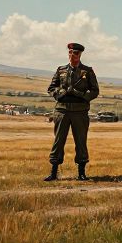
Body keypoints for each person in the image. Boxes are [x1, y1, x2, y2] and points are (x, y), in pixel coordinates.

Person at [45, 42, 100, 181]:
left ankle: (81, 173)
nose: (72, 55)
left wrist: (81, 95)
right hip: (62, 111)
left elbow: (95, 91)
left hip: (79, 112)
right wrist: (60, 93)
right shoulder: (61, 70)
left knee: (81, 142)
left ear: (80, 54)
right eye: (70, 52)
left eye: (75, 53)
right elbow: (51, 88)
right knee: (58, 141)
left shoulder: (87, 71)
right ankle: (53, 173)